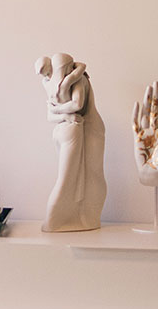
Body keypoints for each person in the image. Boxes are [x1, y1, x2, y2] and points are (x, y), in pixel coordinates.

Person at [36, 53, 107, 231]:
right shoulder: (71, 80)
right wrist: (66, 115)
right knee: (75, 177)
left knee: (86, 175)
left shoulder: (58, 83)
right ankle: (58, 220)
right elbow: (76, 104)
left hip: (85, 128)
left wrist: (58, 111)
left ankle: (85, 217)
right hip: (73, 128)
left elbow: (70, 107)